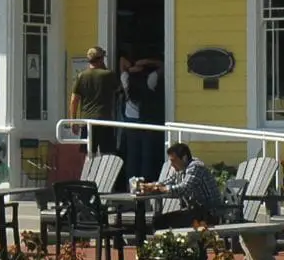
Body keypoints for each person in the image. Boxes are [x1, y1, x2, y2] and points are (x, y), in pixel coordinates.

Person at [137, 142, 224, 229]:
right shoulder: (181, 168)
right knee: (159, 220)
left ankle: (169, 242)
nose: (171, 164)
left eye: (173, 161)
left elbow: (184, 188)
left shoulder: (196, 167)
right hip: (195, 211)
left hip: (208, 213)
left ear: (184, 158)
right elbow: (168, 181)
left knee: (161, 222)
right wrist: (151, 186)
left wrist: (163, 189)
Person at [120, 51, 165, 184]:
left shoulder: (126, 81)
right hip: (147, 121)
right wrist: (145, 61)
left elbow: (121, 61)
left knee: (132, 156)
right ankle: (146, 184)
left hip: (131, 123)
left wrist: (131, 66)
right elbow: (163, 66)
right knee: (147, 156)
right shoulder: (150, 79)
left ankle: (131, 185)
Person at [68, 46, 118, 155]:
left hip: (87, 122)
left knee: (89, 155)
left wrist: (73, 121)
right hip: (104, 120)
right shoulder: (108, 75)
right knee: (107, 155)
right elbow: (119, 90)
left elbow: (74, 100)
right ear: (100, 59)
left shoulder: (81, 76)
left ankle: (90, 172)